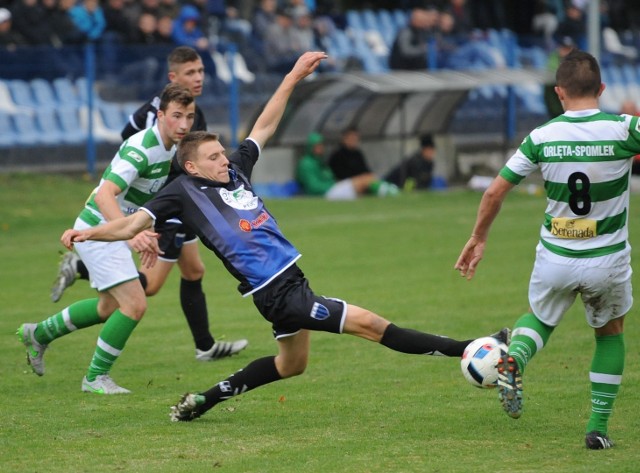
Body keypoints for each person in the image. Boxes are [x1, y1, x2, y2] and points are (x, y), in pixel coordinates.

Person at [60, 51, 510, 421]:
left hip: (291, 280)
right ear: (193, 166)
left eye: (223, 153)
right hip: (274, 292)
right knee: (372, 326)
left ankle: (205, 399)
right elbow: (132, 223)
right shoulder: (180, 193)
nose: (224, 160)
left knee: (291, 365)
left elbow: (265, 126)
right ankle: (470, 346)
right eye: (214, 156)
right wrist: (89, 234)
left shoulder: (234, 171)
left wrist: (293, 75)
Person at [454, 50, 638, 450]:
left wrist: (479, 237)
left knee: (540, 317)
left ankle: (516, 357)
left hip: (556, 257)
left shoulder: (541, 136)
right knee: (610, 334)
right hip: (605, 258)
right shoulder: (625, 128)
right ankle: (597, 428)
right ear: (602, 89)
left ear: (559, 93)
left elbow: (495, 190)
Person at [51, 46, 248, 362]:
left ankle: (205, 345)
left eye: (200, 71)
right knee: (145, 290)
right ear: (173, 77)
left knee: (194, 270)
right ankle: (82, 269)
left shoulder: (190, 112)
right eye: (190, 73)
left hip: (181, 206)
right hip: (162, 209)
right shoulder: (153, 121)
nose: (198, 78)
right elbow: (129, 155)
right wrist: (135, 222)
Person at [17, 83, 196, 394]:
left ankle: (39, 333)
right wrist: (129, 235)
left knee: (107, 308)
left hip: (111, 231)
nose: (183, 124)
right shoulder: (142, 148)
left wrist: (141, 230)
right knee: (135, 305)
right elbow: (104, 195)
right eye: (176, 116)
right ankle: (95, 378)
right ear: (160, 114)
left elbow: (133, 200)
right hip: (98, 232)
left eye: (190, 117)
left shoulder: (169, 147)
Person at [296, 131, 378, 200]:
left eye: (321, 145)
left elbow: (330, 176)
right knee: (363, 181)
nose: (321, 148)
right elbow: (313, 187)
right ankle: (388, 192)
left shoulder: (320, 161)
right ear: (311, 147)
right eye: (317, 146)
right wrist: (332, 184)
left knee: (369, 178)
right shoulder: (306, 164)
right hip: (325, 192)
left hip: (332, 188)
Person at [328, 126, 399, 197]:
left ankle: (384, 189)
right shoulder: (337, 155)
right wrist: (360, 178)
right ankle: (385, 190)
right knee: (364, 179)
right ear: (344, 138)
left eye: (356, 137)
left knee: (370, 177)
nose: (354, 139)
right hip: (343, 185)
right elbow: (337, 175)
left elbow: (365, 170)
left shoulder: (358, 153)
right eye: (351, 137)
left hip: (359, 182)